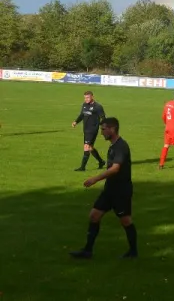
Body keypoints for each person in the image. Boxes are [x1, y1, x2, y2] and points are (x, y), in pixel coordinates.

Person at [69, 117, 138, 259]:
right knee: (94, 216)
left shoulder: (121, 146)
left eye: (103, 129)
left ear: (112, 129)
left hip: (121, 191)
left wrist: (95, 179)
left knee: (125, 221)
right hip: (110, 190)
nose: (101, 133)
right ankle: (87, 251)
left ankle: (133, 252)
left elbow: (115, 169)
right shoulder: (113, 145)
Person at [72, 91, 106, 172]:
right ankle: (101, 162)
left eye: (87, 97)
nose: (86, 99)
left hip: (92, 130)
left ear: (92, 97)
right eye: (85, 97)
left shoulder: (98, 106)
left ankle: (82, 167)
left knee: (86, 147)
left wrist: (102, 128)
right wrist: (76, 122)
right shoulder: (84, 105)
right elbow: (82, 115)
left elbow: (103, 118)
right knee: (90, 148)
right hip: (86, 130)